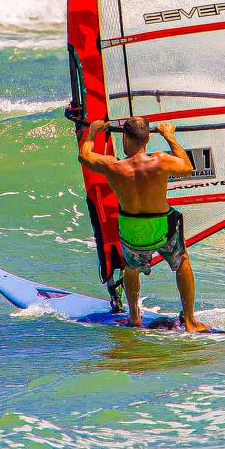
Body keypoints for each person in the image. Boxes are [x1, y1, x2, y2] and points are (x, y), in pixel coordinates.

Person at [75, 115, 206, 332]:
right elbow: (187, 167)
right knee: (182, 261)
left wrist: (92, 132)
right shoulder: (160, 161)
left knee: (131, 268)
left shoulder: (113, 165)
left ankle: (134, 318)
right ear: (147, 140)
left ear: (125, 137)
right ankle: (190, 321)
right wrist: (169, 136)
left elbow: (84, 156)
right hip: (162, 228)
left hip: (133, 231)